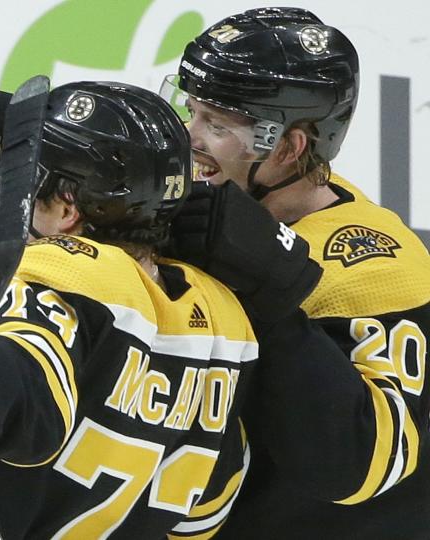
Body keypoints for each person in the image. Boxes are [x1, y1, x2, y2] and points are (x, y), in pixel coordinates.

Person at [0, 82, 319, 538]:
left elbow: (29, 358)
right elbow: (206, 509)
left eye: (26, 184)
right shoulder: (226, 315)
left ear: (67, 208)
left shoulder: (62, 266)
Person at [160, 7, 430, 538]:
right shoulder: (209, 207)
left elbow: (363, 463)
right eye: (190, 111)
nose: (189, 137)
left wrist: (271, 293)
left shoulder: (374, 264)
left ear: (288, 147)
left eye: (216, 124)